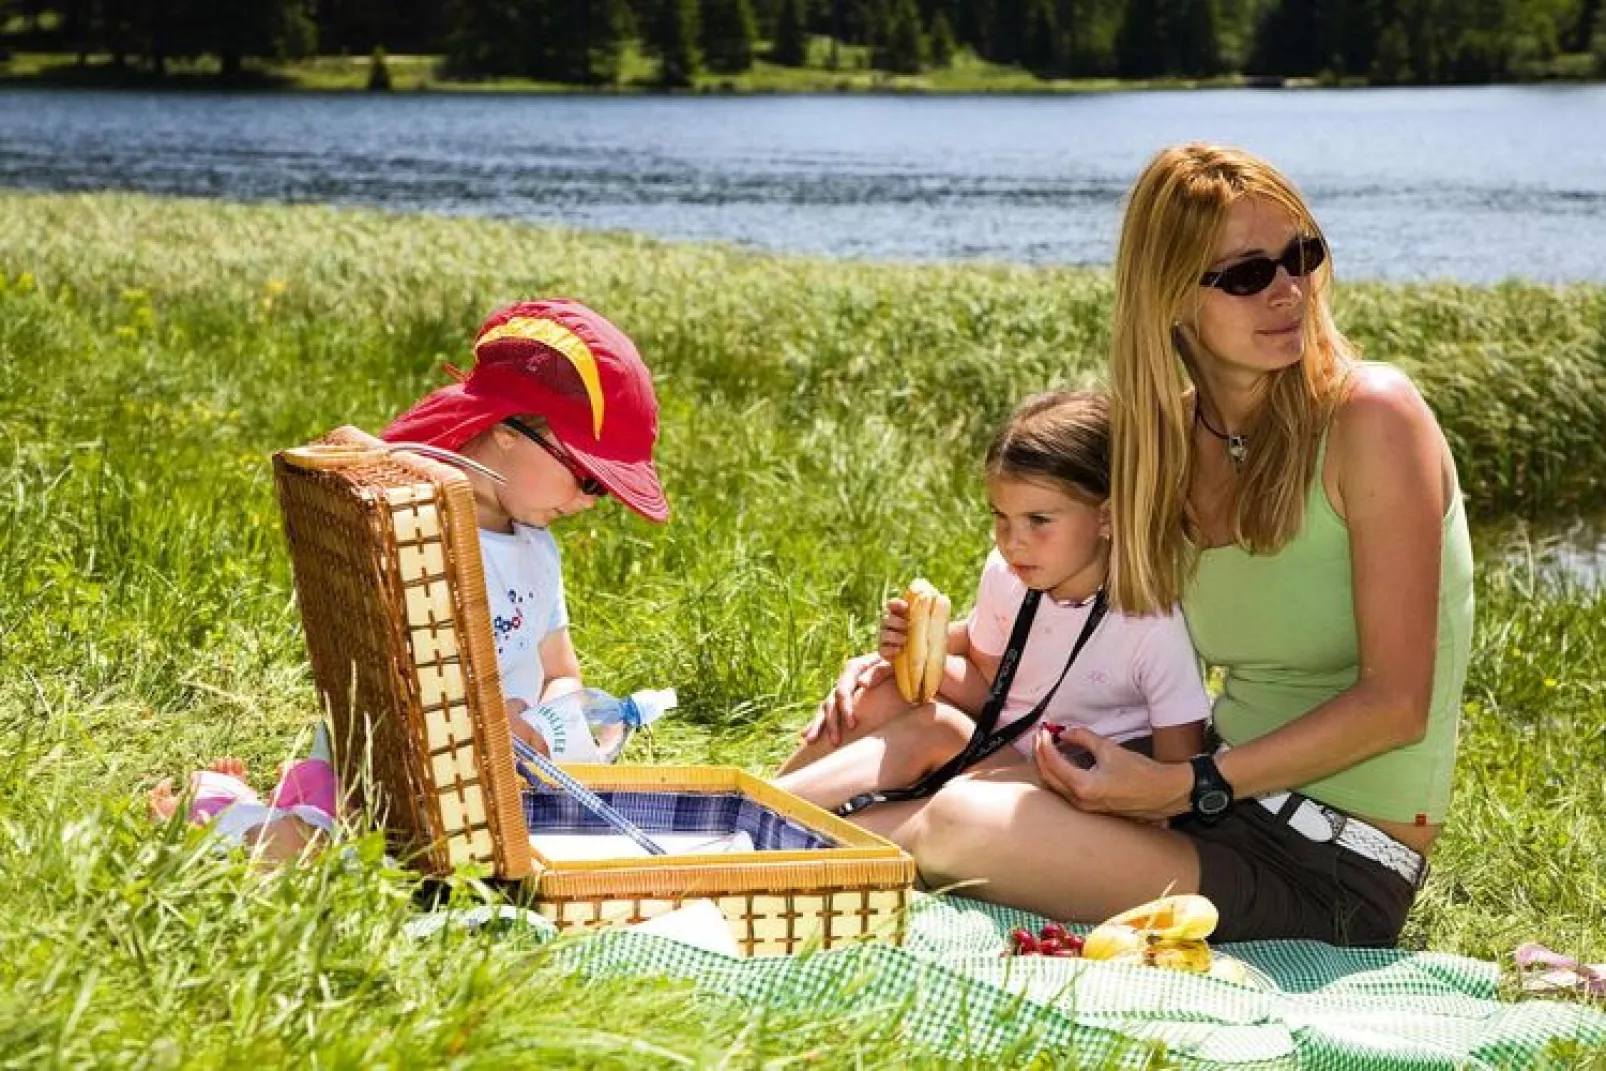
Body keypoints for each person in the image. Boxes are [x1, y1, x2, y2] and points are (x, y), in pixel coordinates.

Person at [880, 144, 1473, 947]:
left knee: (959, 823)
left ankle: (757, 866)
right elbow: (1085, 600)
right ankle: (738, 856)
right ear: (1170, 296)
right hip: (1205, 796)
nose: (1288, 290)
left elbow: (1397, 705)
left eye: (1302, 255)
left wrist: (1186, 786)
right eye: (1246, 273)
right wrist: (926, 649)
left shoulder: (1374, 416)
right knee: (913, 729)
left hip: (1327, 860)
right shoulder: (1169, 440)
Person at [776, 389, 1210, 825]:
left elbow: (1176, 781)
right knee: (880, 692)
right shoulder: (1009, 574)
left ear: (1107, 517)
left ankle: (764, 819)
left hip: (1081, 797)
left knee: (935, 730)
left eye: (1038, 521)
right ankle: (751, 809)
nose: (1011, 540)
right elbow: (992, 688)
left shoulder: (1151, 623)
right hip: (1006, 751)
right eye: (999, 516)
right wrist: (915, 653)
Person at [382, 299, 671, 756]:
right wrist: (493, 719)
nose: (589, 501)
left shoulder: (537, 548)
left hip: (511, 776)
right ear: (507, 433)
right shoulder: (416, 532)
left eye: (604, 490)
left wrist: (556, 719)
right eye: (587, 477)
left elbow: (560, 672)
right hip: (423, 769)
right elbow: (399, 687)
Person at [148, 724, 339, 866]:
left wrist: (164, 822)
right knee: (322, 783)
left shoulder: (218, 856)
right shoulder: (331, 849)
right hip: (311, 828)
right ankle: (295, 781)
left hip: (230, 826)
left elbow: (171, 851)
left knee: (204, 803)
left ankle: (234, 790)